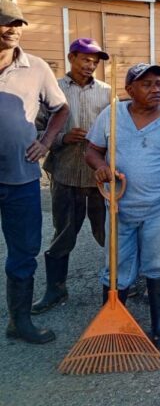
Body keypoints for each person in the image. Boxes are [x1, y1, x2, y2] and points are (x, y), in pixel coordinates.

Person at [86, 63, 160, 349]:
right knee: (117, 267)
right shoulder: (111, 115)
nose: (156, 89)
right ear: (130, 90)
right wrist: (100, 167)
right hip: (119, 207)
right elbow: (92, 150)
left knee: (158, 265)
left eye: (158, 83)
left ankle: (159, 325)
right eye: (146, 84)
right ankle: (113, 325)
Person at [0, 0, 69, 344]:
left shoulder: (36, 67)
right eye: (6, 23)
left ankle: (20, 321)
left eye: (18, 24)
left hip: (21, 179)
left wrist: (46, 141)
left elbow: (61, 109)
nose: (13, 29)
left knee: (23, 252)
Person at [32, 38, 111, 314]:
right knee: (64, 233)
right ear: (71, 58)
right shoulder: (52, 90)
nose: (91, 65)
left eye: (95, 61)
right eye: (85, 59)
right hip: (65, 174)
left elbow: (115, 131)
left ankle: (117, 283)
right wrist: (63, 138)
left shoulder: (106, 92)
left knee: (109, 234)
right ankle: (56, 288)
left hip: (99, 179)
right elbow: (37, 131)